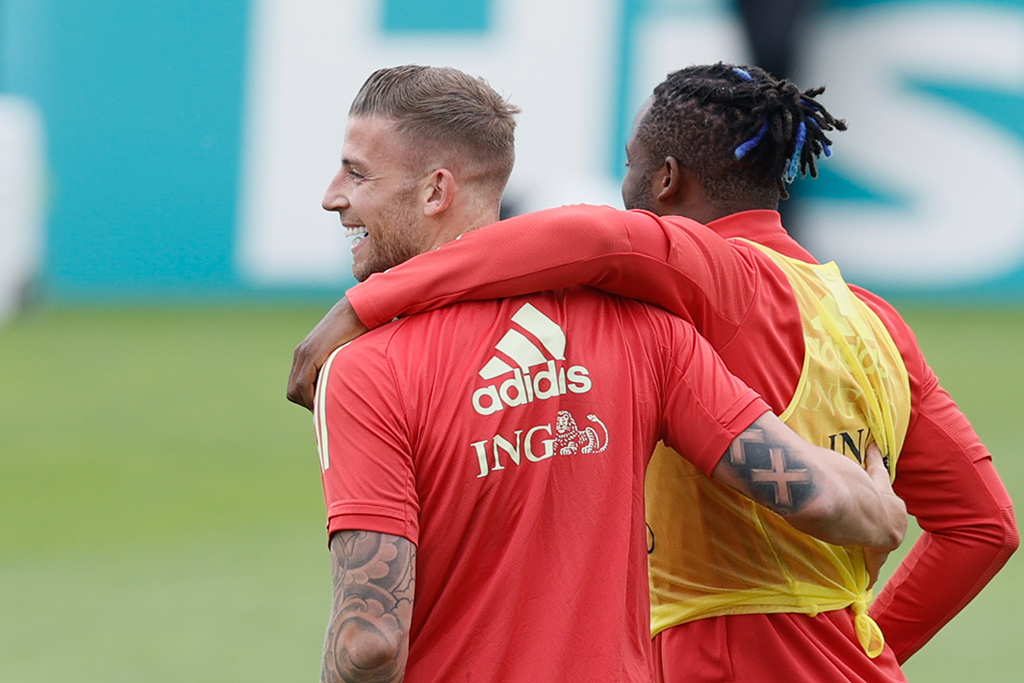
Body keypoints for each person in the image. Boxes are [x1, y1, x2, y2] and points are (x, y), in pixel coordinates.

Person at [289, 63, 1018, 682]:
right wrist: (873, 646)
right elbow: (984, 528)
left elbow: (591, 233)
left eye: (631, 164)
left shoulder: (711, 284)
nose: (623, 185)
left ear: (665, 179)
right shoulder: (873, 320)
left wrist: (361, 306)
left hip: (721, 659)